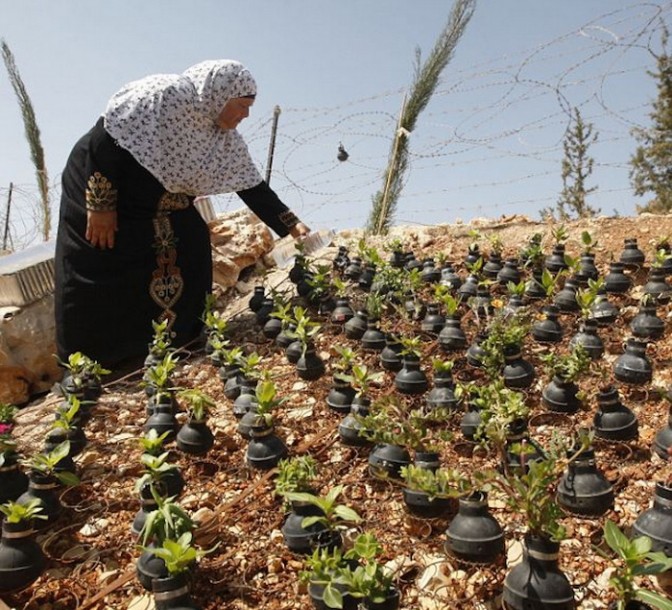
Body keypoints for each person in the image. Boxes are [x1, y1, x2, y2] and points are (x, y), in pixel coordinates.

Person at [54, 59, 310, 370]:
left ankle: (178, 338)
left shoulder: (222, 139)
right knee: (100, 259)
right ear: (218, 95)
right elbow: (103, 141)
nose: (245, 115)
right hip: (102, 186)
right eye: (241, 106)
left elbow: (252, 186)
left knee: (190, 241)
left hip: (159, 204)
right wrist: (100, 204)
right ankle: (92, 362)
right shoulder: (160, 97)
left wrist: (292, 224)